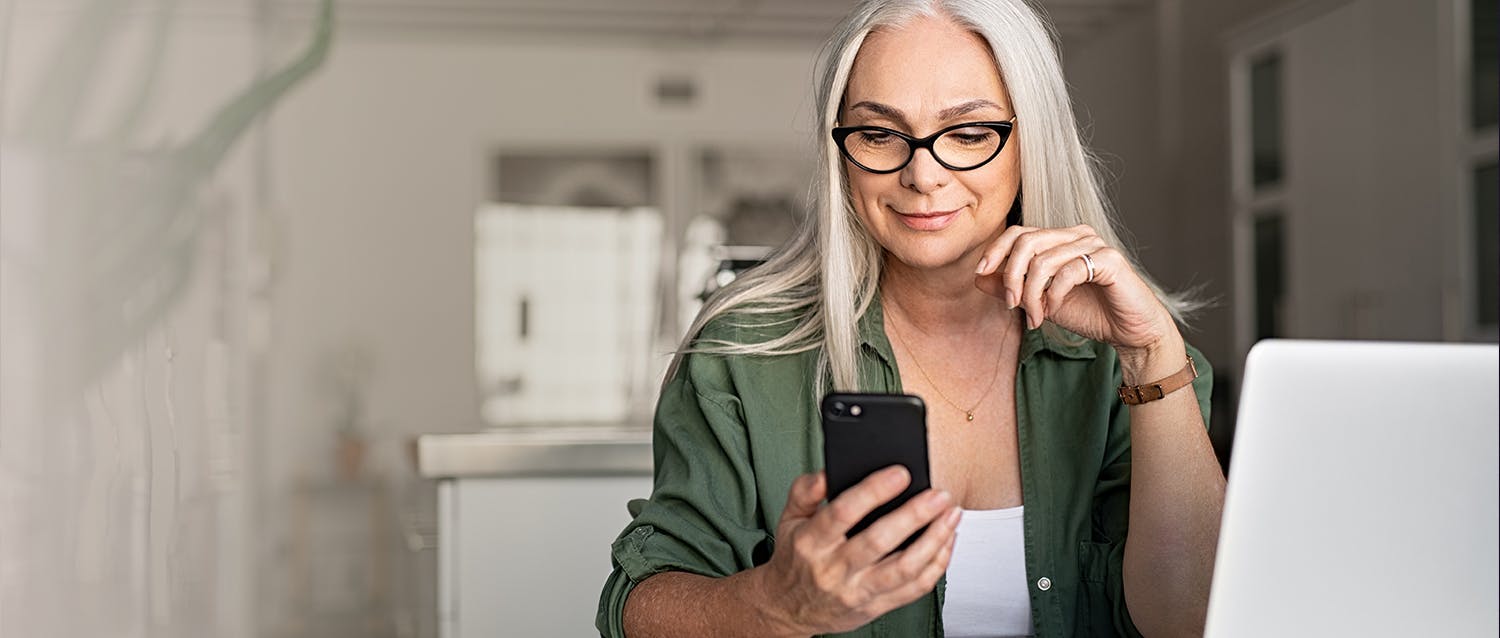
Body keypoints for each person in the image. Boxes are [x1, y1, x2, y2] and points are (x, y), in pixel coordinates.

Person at [596, 1, 1226, 636]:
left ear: (1031, 140)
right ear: (838, 150)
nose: (922, 175)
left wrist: (1151, 356)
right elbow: (634, 609)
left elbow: (1194, 619)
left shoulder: (1132, 361)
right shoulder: (743, 352)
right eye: (878, 134)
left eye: (969, 134)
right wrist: (774, 604)